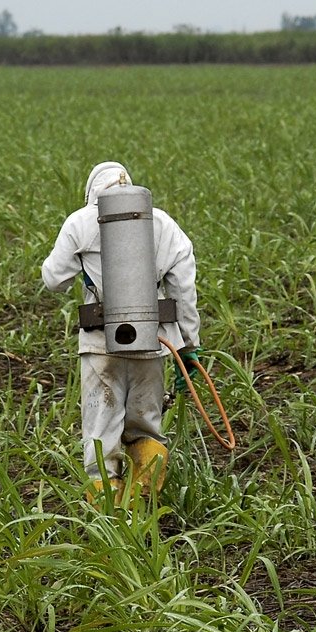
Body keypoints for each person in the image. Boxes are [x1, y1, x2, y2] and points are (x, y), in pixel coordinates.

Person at [41, 161, 201, 503]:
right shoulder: (163, 223)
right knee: (146, 428)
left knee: (100, 436)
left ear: (92, 193)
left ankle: (108, 517)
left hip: (100, 346)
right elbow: (184, 290)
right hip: (152, 342)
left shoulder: (80, 222)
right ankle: (141, 510)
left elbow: (54, 279)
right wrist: (188, 346)